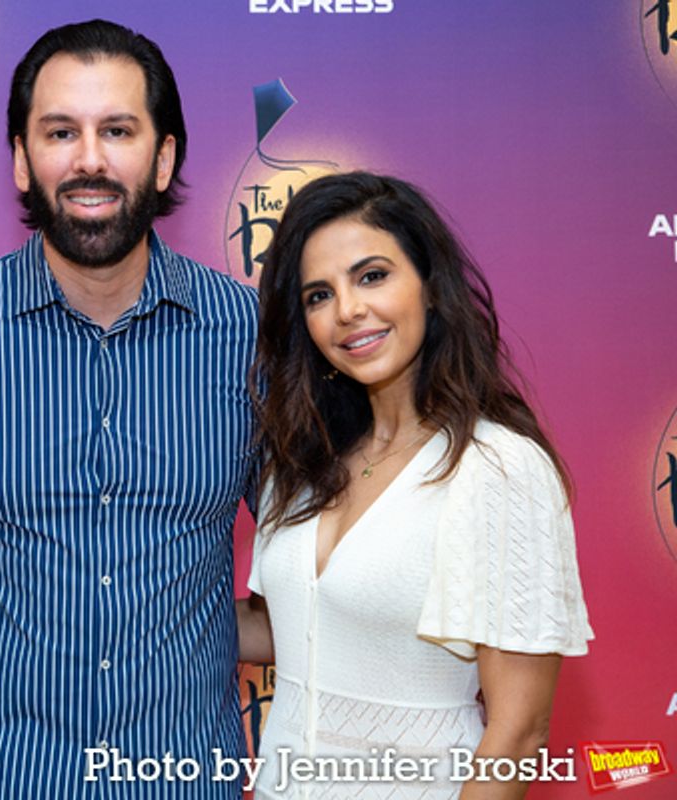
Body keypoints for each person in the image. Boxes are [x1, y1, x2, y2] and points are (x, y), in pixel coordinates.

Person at [0, 19, 258, 800]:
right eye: (61, 132)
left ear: (164, 157)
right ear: (21, 159)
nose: (90, 159)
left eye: (118, 131)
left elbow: (320, 565)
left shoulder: (250, 335)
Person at [238, 171, 593, 799]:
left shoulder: (497, 469)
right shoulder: (301, 464)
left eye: (372, 276)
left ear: (430, 287)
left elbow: (517, 734)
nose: (348, 310)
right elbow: (288, 626)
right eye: (319, 294)